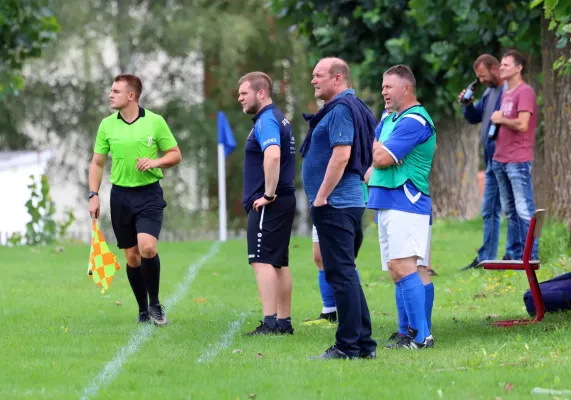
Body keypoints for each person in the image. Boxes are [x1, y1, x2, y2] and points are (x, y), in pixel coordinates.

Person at [88, 74, 182, 326]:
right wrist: (93, 195)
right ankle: (142, 309)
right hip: (120, 197)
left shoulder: (155, 122)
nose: (110, 95)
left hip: (149, 194)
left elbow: (175, 154)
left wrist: (156, 161)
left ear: (131, 96)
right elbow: (97, 163)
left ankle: (155, 304)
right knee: (131, 257)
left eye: (116, 91)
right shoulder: (107, 125)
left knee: (147, 248)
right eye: (111, 90)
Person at [301, 57, 377, 359]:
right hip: (346, 203)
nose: (313, 80)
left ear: (337, 78)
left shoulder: (342, 110)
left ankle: (347, 346)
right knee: (345, 274)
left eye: (318, 75)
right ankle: (364, 344)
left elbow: (342, 155)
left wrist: (321, 197)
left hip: (336, 204)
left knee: (341, 275)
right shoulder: (348, 107)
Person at [367, 65, 435, 349]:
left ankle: (421, 337)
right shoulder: (390, 119)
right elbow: (373, 151)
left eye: (389, 87)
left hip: (406, 201)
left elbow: (381, 159)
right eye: (382, 87)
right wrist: (380, 151)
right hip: (387, 200)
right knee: (398, 269)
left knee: (406, 267)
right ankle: (406, 333)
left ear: (406, 88)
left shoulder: (414, 120)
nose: (383, 91)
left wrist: (382, 152)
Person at [237, 71, 296, 336]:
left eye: (244, 93)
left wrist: (268, 195)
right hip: (284, 200)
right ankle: (283, 322)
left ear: (261, 93)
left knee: (261, 260)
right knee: (279, 263)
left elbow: (272, 156)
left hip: (269, 203)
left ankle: (270, 323)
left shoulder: (266, 120)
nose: (240, 99)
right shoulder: (278, 118)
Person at [459, 54, 514, 270]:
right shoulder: (490, 92)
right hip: (491, 160)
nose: (481, 81)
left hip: (506, 158)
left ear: (494, 68)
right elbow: (475, 117)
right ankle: (487, 258)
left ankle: (513, 254)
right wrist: (468, 105)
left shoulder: (509, 91)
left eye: (482, 76)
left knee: (511, 207)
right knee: (489, 209)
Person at [489, 50, 539, 260]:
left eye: (506, 65)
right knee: (509, 211)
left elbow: (522, 124)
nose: (501, 67)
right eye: (501, 64)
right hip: (500, 159)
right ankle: (513, 253)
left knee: (524, 208)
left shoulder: (525, 92)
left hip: (518, 159)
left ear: (519, 68)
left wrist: (500, 120)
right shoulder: (505, 93)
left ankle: (531, 255)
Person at [301, 181, 367, 326]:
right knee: (319, 257)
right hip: (320, 201)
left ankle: (355, 313)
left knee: (344, 261)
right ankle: (329, 312)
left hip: (342, 203)